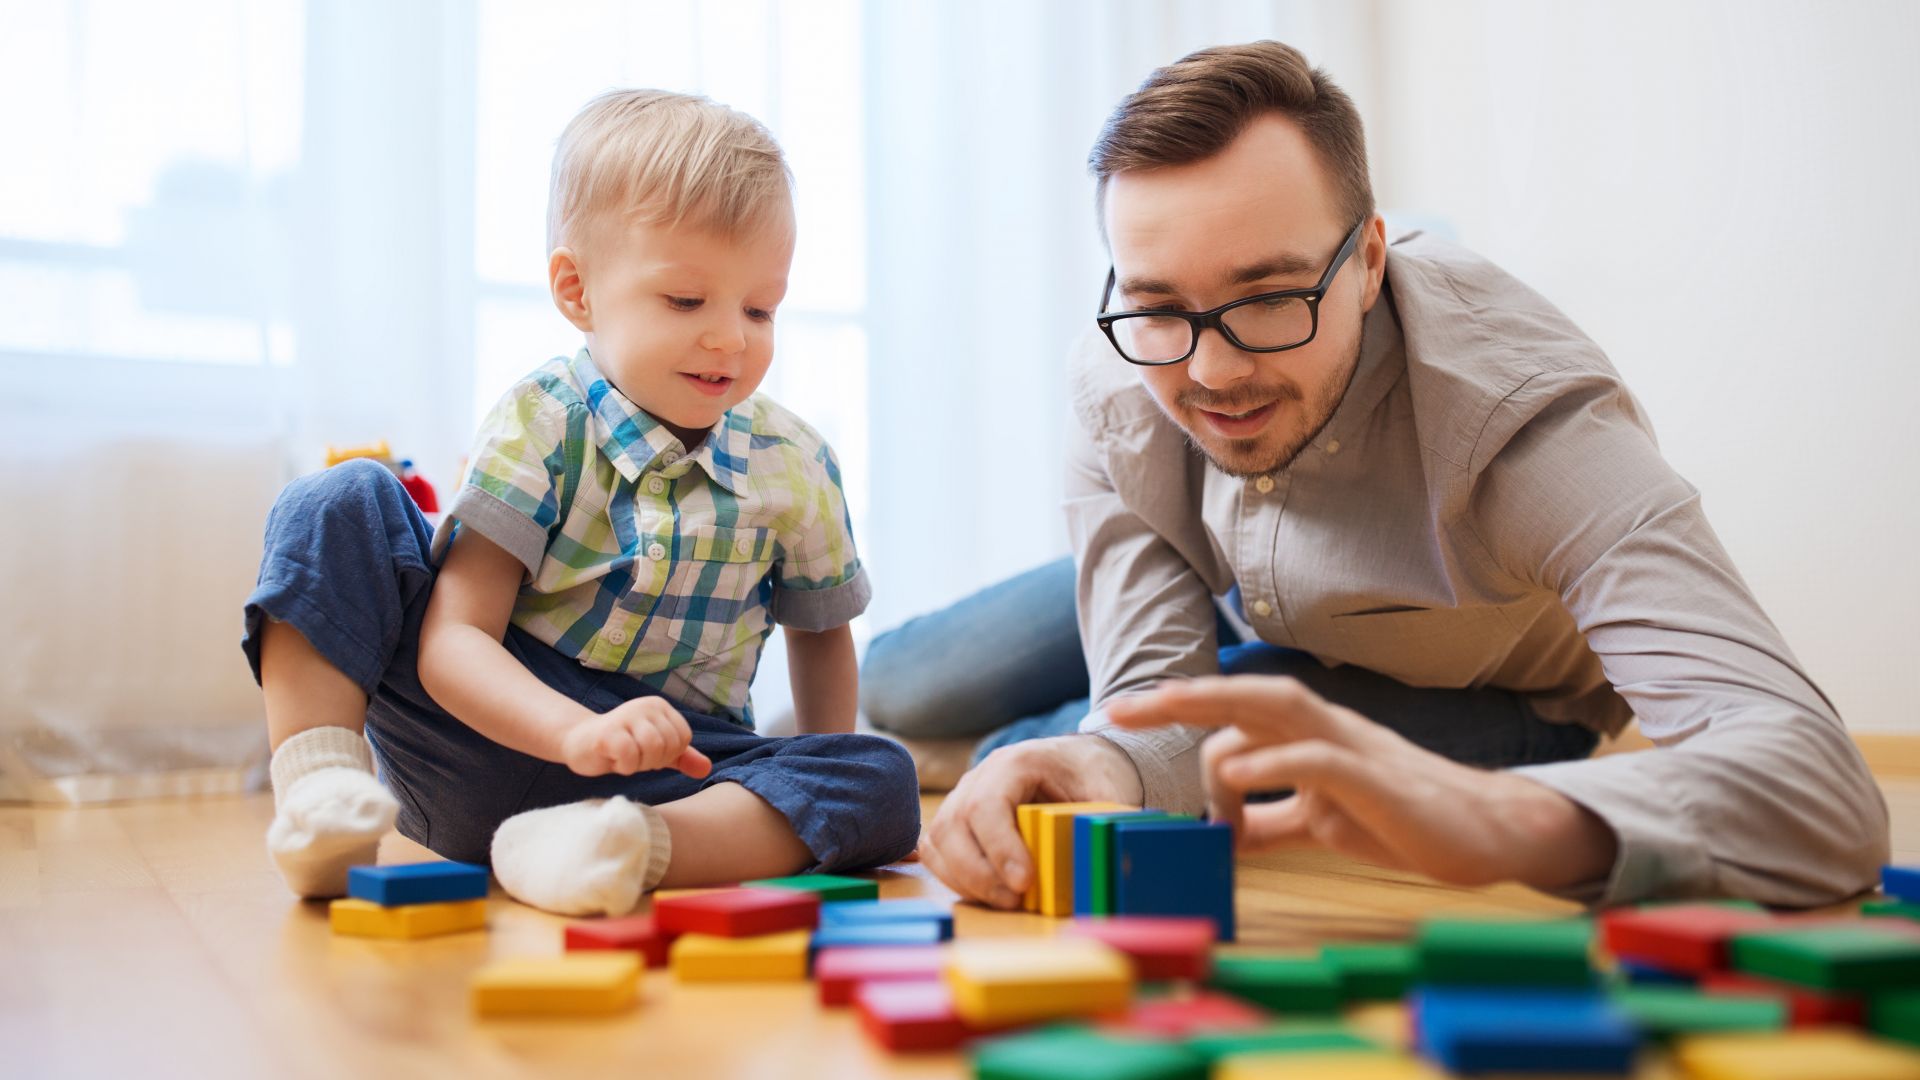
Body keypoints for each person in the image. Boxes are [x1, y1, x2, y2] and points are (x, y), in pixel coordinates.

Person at [907, 41, 1887, 910]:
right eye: (1160, 305)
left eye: (1269, 296)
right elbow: (1152, 700)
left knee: (1133, 741)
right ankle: (961, 741)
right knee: (912, 688)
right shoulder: (1124, 370)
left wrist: (1499, 815)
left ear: (1369, 261)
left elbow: (1821, 793)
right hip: (1238, 597)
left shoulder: (1529, 425)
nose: (1210, 372)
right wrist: (1107, 747)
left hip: (1488, 695)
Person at [245, 90, 918, 916]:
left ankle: (617, 848)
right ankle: (324, 802)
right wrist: (571, 731)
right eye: (685, 301)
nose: (732, 339)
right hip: (483, 725)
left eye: (759, 307)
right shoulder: (543, 420)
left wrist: (817, 779)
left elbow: (822, 641)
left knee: (877, 776)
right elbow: (454, 640)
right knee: (337, 498)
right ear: (577, 290)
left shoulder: (797, 461)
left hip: (671, 768)